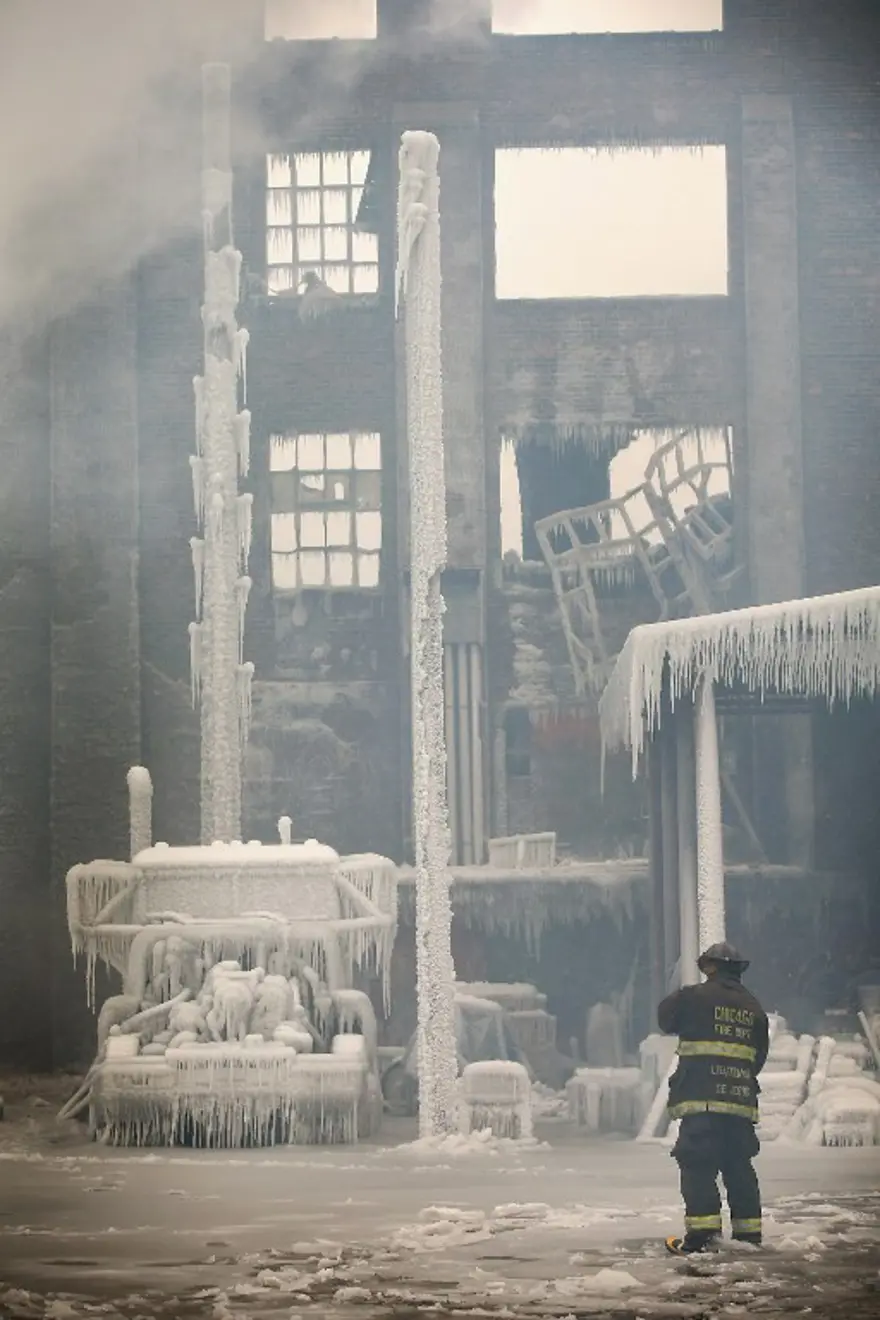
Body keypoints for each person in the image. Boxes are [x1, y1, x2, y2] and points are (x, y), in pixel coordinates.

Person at [657, 941, 769, 1256]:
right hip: (739, 1103)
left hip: (701, 1098)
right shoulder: (754, 1008)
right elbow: (757, 1058)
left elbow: (665, 1020)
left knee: (697, 1163)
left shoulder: (693, 998)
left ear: (710, 967)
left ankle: (704, 1238)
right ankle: (749, 1239)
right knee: (738, 1166)